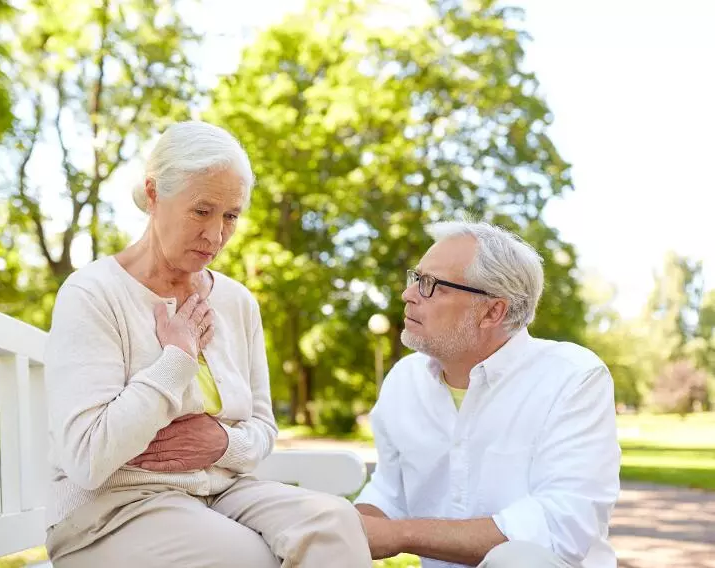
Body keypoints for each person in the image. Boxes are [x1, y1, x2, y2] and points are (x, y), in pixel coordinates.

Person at [42, 121, 371, 567]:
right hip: (114, 511)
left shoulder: (237, 301)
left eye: (230, 216)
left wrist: (223, 444)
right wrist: (175, 360)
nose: (216, 235)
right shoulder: (94, 294)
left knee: (334, 522)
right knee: (246, 557)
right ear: (154, 194)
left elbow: (262, 428)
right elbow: (87, 458)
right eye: (202, 211)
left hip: (221, 491)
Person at [354, 221, 621, 568]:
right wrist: (337, 526)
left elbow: (558, 529)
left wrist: (402, 535)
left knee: (519, 560)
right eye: (415, 278)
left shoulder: (573, 377)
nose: (408, 294)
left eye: (430, 285)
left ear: (493, 311)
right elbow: (389, 494)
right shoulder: (403, 380)